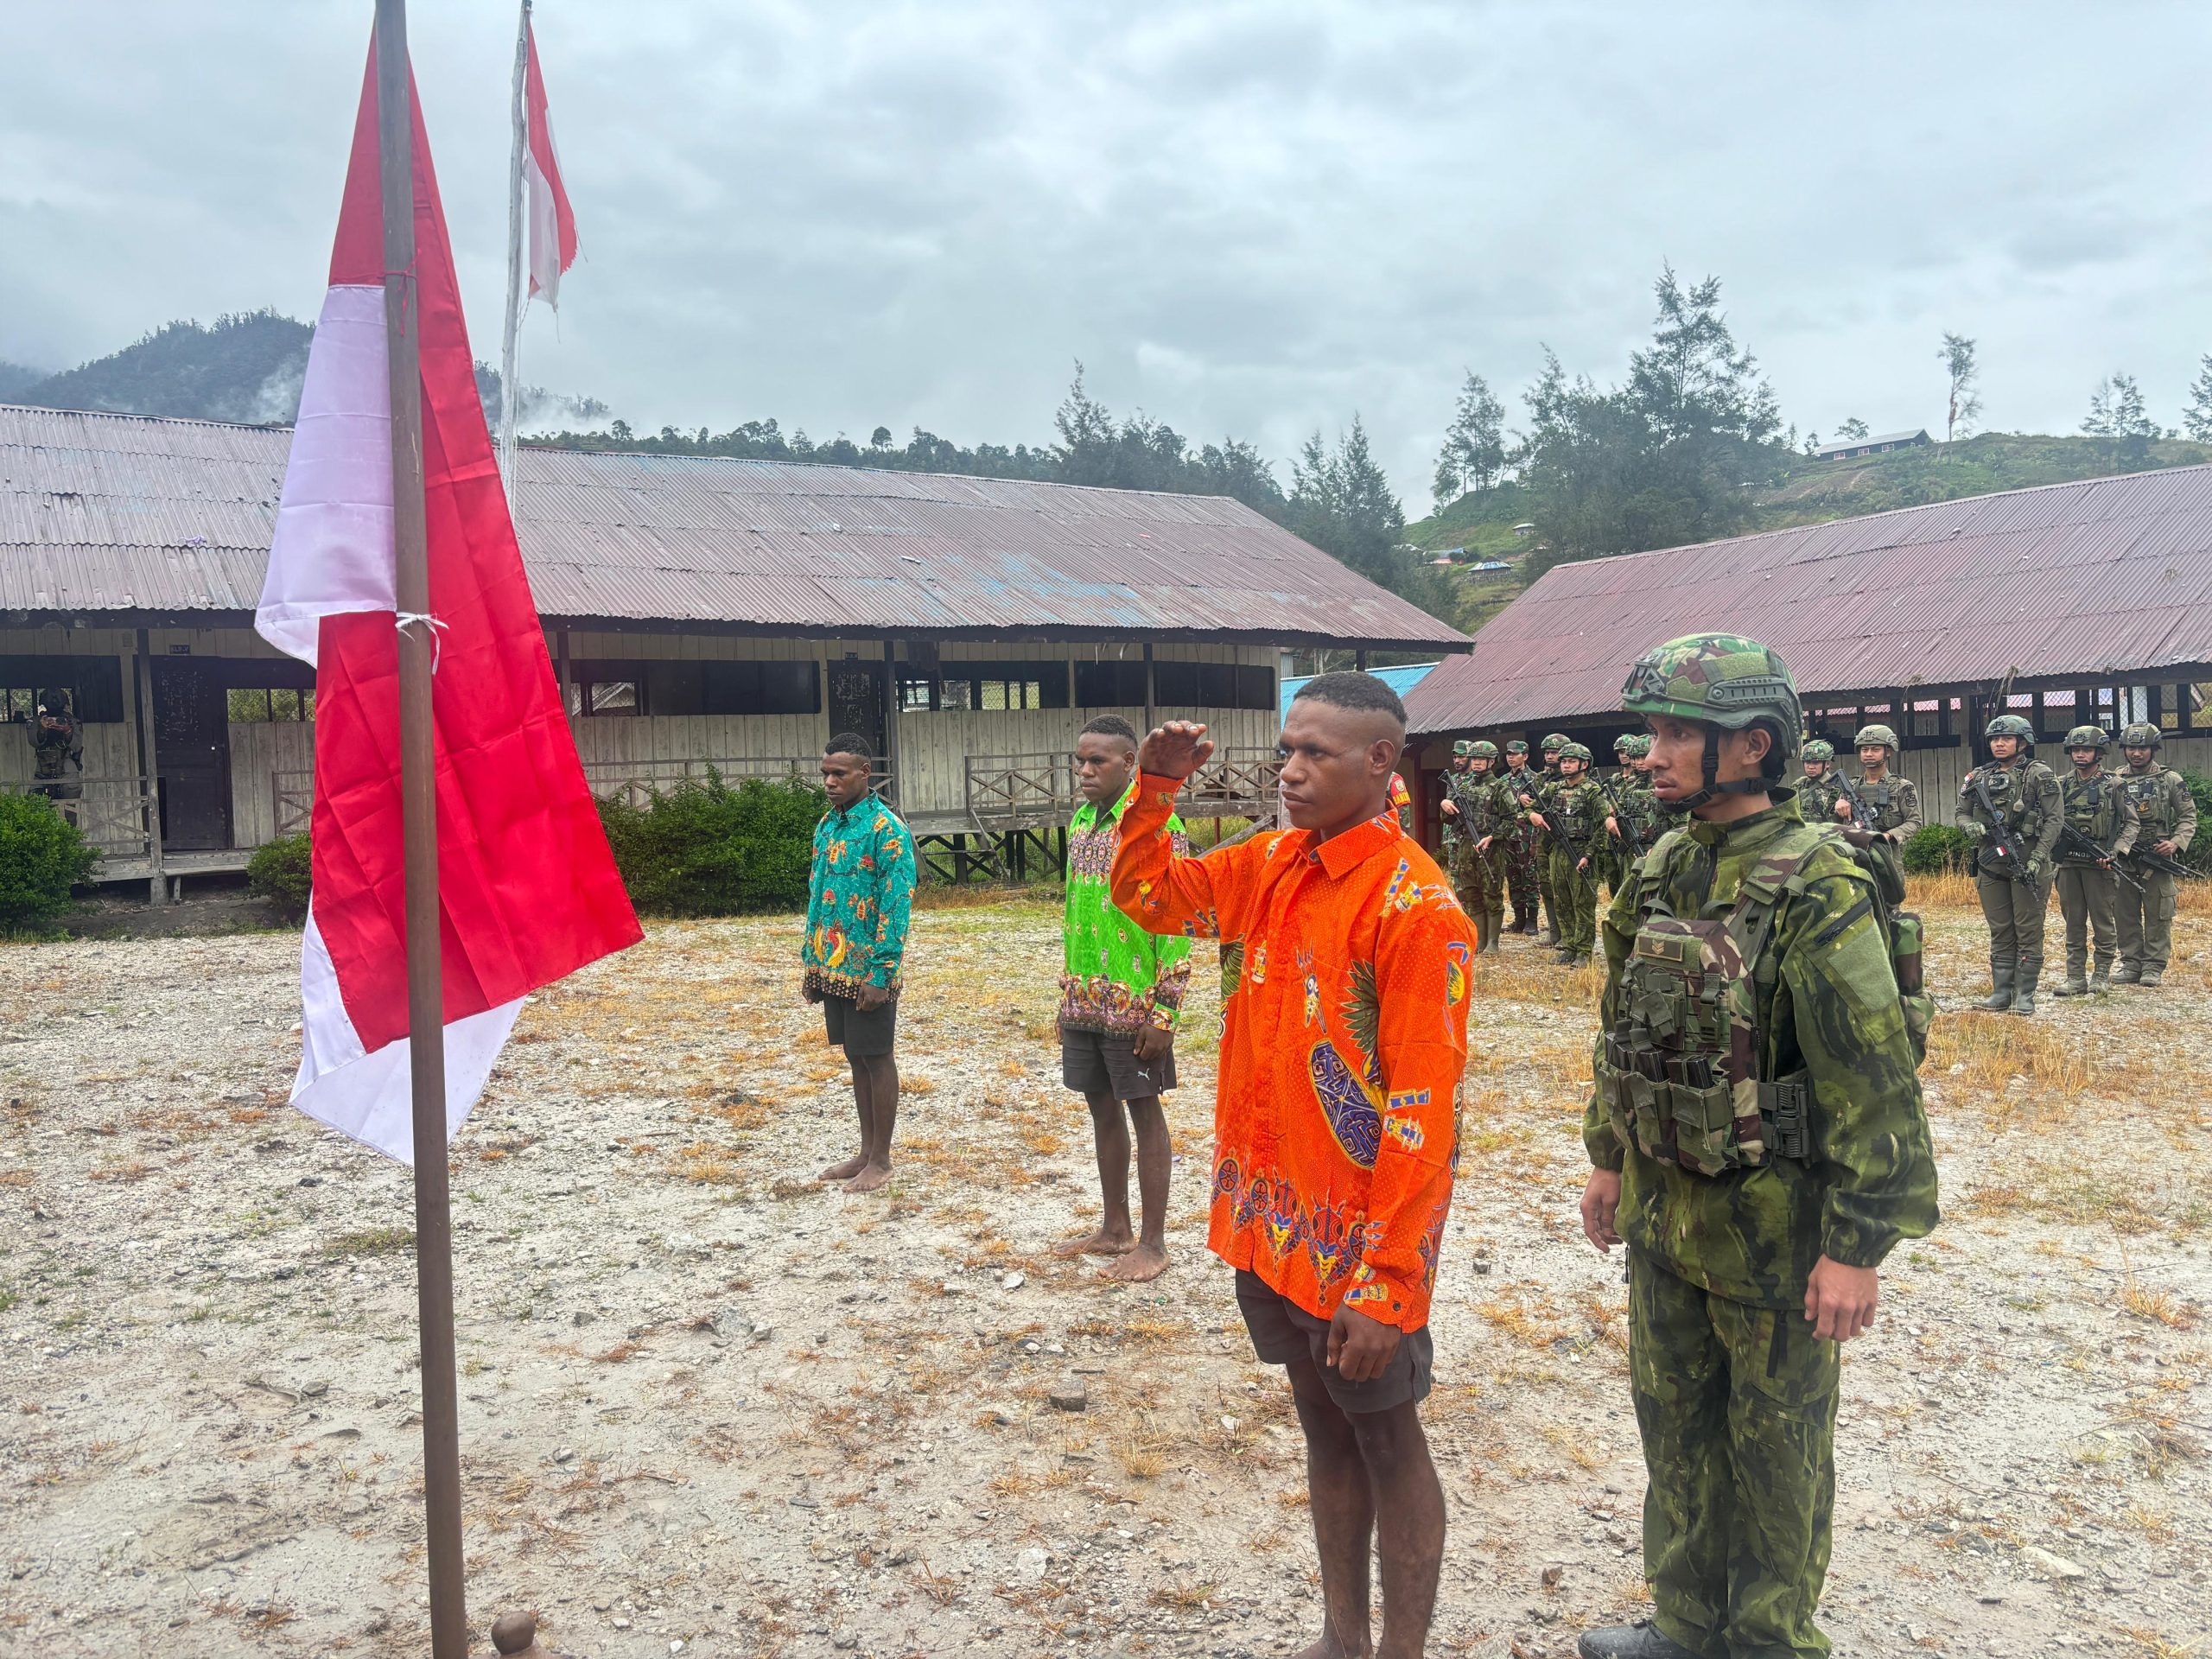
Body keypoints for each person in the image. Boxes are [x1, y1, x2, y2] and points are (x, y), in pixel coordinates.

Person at [1578, 633, 1938, 1659]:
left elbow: (1871, 1077)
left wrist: (1858, 1245)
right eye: (1649, 730)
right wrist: (1609, 1154)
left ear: (1752, 748)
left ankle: (1770, 1641)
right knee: (1676, 1429)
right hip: (1666, 1208)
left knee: (1775, 1452)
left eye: (1677, 732)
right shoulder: (1663, 864)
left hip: (1775, 1231)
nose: (1649, 753)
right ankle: (1686, 1624)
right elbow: (1621, 1028)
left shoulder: (1818, 882)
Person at [1113, 671, 1472, 1659]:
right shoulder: (1269, 863)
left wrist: (1390, 1280)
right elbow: (1146, 896)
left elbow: (1420, 1113)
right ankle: (1341, 1639)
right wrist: (1153, 791)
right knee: (1322, 1429)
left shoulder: (1415, 907)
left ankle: (1400, 1651)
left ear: (1381, 761)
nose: (1292, 770)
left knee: (1389, 1441)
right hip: (1273, 1229)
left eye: (1318, 752)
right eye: (1286, 749)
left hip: (1359, 1246)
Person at [1054, 715, 1192, 1281]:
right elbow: (1073, 912)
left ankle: (1153, 1244)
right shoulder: (1083, 822)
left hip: (1136, 1003)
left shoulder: (1156, 825)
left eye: (1098, 762)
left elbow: (1177, 917)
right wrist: (1065, 993)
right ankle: (1115, 1229)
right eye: (1079, 761)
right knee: (1099, 1107)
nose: (1085, 771)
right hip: (1086, 997)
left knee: (1144, 1112)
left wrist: (1167, 1010)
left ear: (1130, 764)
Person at [803, 733, 916, 1193]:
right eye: (825, 773)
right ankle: (865, 1151)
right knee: (855, 1057)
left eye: (839, 774)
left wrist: (882, 973)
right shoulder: (827, 826)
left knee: (877, 1056)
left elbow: (897, 904)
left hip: (870, 972)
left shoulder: (886, 830)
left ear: (864, 774)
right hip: (833, 966)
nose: (830, 782)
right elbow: (816, 896)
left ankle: (883, 1160)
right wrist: (812, 964)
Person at [1955, 714, 2062, 1015]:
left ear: (2023, 742)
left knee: (2028, 929)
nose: (1999, 744)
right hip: (1991, 863)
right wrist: (1968, 827)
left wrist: (2038, 857)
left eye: (2006, 739)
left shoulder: (2039, 774)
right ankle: (2001, 992)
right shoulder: (1978, 776)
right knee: (2000, 928)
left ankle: (2025, 995)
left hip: (2027, 860)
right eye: (1994, 739)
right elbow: (1961, 811)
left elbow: (2055, 821)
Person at [2049, 725, 2138, 997]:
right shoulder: (2060, 784)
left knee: (2102, 922)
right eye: (2076, 749)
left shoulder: (2114, 784)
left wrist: (2116, 852)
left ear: (2099, 753)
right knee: (2073, 923)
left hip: (2100, 863)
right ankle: (2075, 978)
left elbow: (2131, 823)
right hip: (2068, 864)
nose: (2080, 755)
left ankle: (2101, 976)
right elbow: (2050, 821)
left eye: (2086, 749)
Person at [2111, 721, 2198, 988]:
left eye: (2143, 749)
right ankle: (2131, 963)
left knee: (2159, 912)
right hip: (2124, 856)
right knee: (2124, 912)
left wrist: (2175, 842)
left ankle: (2153, 966)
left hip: (2157, 856)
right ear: (2124, 750)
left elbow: (2188, 816)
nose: (2137, 754)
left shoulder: (2170, 780)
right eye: (2132, 749)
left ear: (2153, 749)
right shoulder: (2114, 779)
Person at [1827, 723, 1921, 906]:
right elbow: (1832, 825)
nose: (1868, 754)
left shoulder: (1902, 786)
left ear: (1888, 752)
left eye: (1875, 749)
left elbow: (1914, 822)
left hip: (1887, 861)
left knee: (1889, 916)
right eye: (1864, 749)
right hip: (1853, 860)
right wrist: (1837, 807)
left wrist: (1887, 836)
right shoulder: (1849, 787)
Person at [1546, 741, 1608, 965]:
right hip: (1558, 851)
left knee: (1582, 903)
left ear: (1584, 764)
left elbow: (1603, 827)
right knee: (1562, 901)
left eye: (1571, 761)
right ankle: (1569, 946)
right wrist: (1532, 815)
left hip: (1582, 852)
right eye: (1563, 761)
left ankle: (1583, 952)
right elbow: (1530, 807)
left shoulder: (1593, 791)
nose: (1566, 765)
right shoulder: (1554, 789)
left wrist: (1589, 854)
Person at [1464, 741, 1514, 954]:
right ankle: (1479, 941)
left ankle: (1493, 942)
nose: (1476, 763)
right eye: (1473, 759)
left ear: (1491, 761)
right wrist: (1445, 808)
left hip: (1490, 846)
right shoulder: (1464, 786)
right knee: (1471, 892)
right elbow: (1451, 819)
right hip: (1467, 845)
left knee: (1491, 892)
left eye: (1480, 759)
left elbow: (1512, 819)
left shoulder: (1500, 787)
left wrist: (1493, 837)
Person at [1521, 734, 1571, 944]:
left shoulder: (1572, 778)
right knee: (1546, 885)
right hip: (1542, 839)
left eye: (1555, 752)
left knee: (1565, 887)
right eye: (1547, 753)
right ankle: (1554, 932)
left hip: (1566, 839)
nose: (1550, 756)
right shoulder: (1539, 778)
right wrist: (1521, 798)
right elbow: (1527, 802)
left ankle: (1569, 935)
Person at [17, 694, 85, 823]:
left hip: (66, 770)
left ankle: (70, 841)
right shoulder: (36, 721)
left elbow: (76, 747)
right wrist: (42, 729)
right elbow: (34, 742)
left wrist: (67, 731)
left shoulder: (72, 721)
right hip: (43, 771)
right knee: (34, 810)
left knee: (70, 814)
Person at [1501, 740, 1542, 932]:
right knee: (1513, 876)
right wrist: (1517, 797)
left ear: (1525, 756)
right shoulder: (1502, 781)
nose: (1510, 757)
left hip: (1529, 836)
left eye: (1515, 754)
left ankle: (1532, 920)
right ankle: (1519, 919)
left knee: (1530, 876)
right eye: (1508, 753)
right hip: (1509, 835)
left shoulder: (1536, 779)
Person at [1437, 741, 1482, 918]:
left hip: (1471, 835)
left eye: (1462, 756)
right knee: (1456, 875)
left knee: (1474, 875)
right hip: (1452, 835)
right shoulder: (1452, 779)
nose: (1457, 760)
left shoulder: (1477, 779)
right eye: (1455, 757)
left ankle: (1476, 913)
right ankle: (1461, 911)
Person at [1796, 739, 1843, 825]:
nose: (1810, 767)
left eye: (1815, 763)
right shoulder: (1799, 785)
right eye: (1807, 762)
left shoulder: (1838, 788)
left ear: (1827, 764)